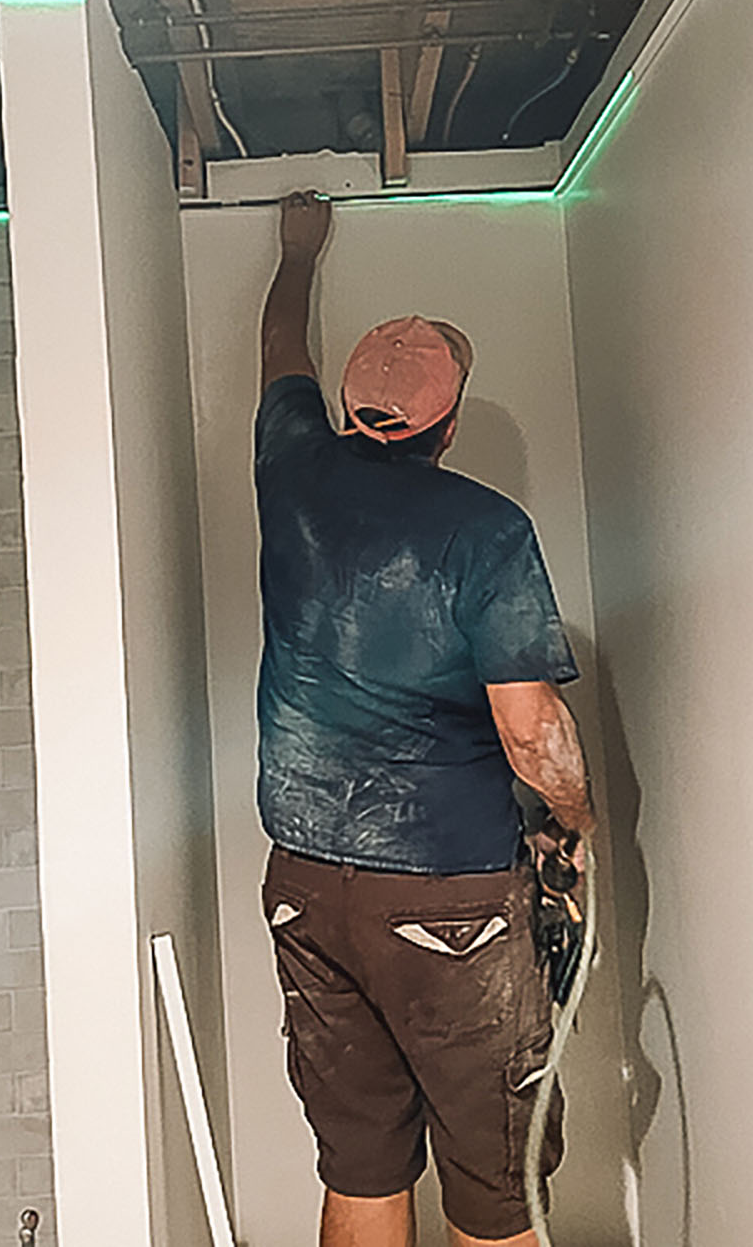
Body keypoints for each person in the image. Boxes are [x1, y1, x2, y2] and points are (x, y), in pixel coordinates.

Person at [255, 191, 596, 1247]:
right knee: (495, 1189)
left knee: (361, 1164)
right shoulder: (487, 530)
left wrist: (297, 253)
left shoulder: (290, 467)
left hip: (304, 885)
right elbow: (531, 733)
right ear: (448, 424)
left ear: (348, 410)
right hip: (449, 900)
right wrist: (574, 820)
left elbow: (278, 351)